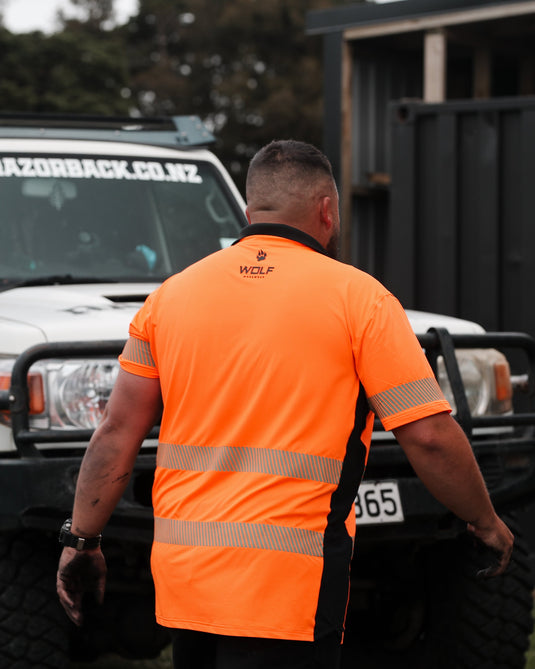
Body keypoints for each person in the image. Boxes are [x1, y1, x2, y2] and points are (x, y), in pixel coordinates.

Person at [57, 140, 513, 669]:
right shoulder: (360, 299)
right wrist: (484, 519)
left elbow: (115, 434)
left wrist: (81, 540)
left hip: (188, 584)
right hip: (291, 586)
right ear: (327, 210)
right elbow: (429, 436)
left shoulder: (170, 298)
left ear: (250, 212)